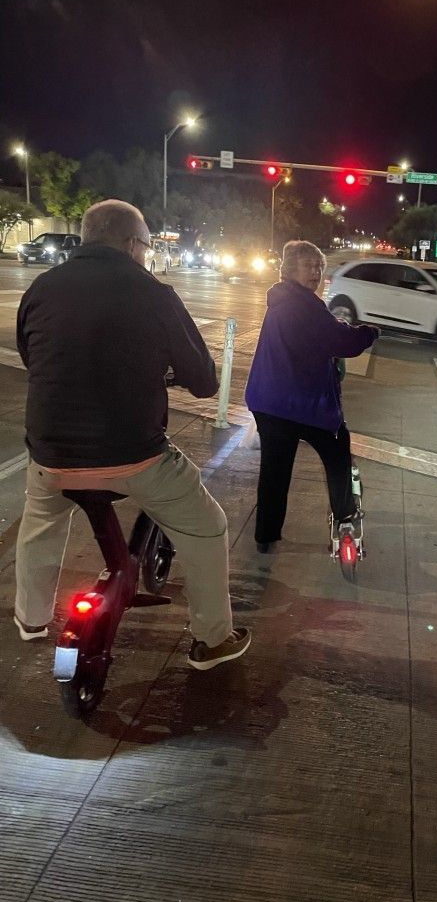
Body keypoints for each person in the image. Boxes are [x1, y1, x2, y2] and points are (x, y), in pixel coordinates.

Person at [14, 199, 251, 670]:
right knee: (207, 526)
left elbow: (30, 354)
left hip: (50, 456)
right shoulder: (153, 293)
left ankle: (30, 618)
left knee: (40, 522)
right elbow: (205, 382)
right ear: (131, 244)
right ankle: (213, 640)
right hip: (134, 457)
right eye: (146, 245)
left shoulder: (41, 288)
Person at [245, 240, 378, 552]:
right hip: (304, 405)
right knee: (337, 449)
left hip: (270, 403)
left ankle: (265, 536)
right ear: (291, 269)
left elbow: (317, 335)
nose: (316, 272)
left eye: (319, 266)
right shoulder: (305, 304)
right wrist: (370, 332)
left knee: (274, 472)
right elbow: (342, 342)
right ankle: (345, 514)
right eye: (308, 266)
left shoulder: (280, 300)